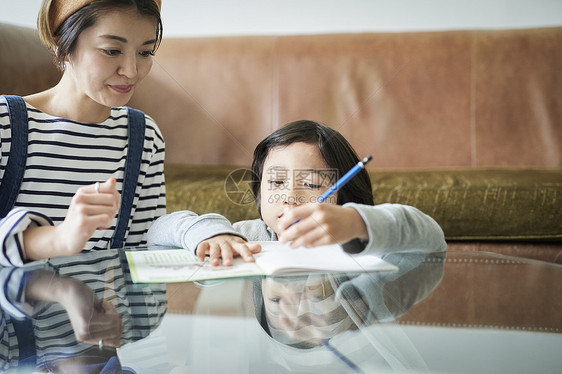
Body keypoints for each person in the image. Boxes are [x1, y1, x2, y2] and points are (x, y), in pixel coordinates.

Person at [0, 0, 166, 266]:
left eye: (145, 53)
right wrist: (61, 237)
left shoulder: (145, 136)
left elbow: (143, 250)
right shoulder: (5, 123)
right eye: (112, 51)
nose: (132, 71)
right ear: (62, 45)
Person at [147, 120, 446, 265]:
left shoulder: (360, 243)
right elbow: (157, 231)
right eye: (276, 183)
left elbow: (431, 237)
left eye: (314, 184)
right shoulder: (246, 238)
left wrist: (356, 223)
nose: (289, 196)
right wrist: (208, 234)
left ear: (344, 195)